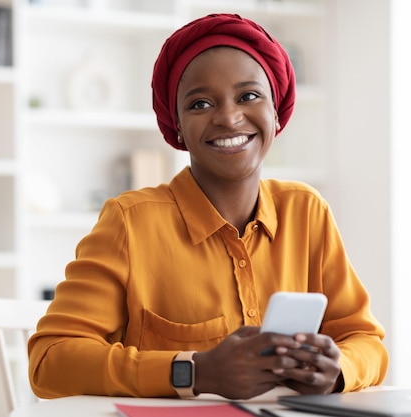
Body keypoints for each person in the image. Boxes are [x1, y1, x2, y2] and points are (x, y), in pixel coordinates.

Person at [27, 13, 388, 400]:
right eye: (200, 103)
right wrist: (193, 371)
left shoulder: (307, 212)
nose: (229, 118)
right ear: (177, 125)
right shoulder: (130, 223)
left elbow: (366, 341)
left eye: (249, 96)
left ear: (276, 110)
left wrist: (337, 370)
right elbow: (50, 361)